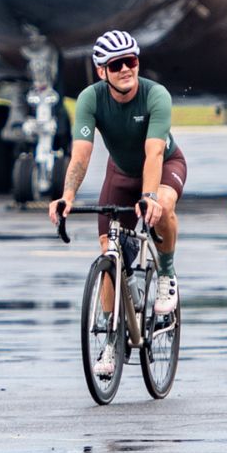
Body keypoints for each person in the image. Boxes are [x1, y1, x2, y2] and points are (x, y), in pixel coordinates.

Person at [49, 30, 186, 377]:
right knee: (110, 252)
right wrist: (67, 196)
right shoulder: (89, 99)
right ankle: (110, 341)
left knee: (164, 208)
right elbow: (81, 154)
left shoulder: (156, 96)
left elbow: (154, 151)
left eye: (132, 61)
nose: (126, 69)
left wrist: (151, 197)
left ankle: (167, 274)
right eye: (117, 64)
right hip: (121, 175)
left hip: (165, 165)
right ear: (101, 71)